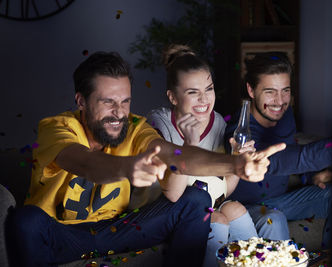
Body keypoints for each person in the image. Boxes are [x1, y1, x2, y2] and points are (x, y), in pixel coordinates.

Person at [5, 51, 285, 267]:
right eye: (108, 102)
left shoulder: (136, 126)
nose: (119, 112)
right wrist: (128, 167)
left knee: (196, 200)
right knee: (26, 220)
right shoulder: (56, 127)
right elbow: (84, 162)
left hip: (118, 229)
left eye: (125, 101)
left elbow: (175, 156)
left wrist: (236, 164)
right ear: (81, 101)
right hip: (63, 233)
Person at [224, 52, 332, 248]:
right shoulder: (240, 131)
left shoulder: (283, 114)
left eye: (285, 90)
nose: (279, 101)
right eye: (270, 91)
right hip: (249, 207)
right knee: (273, 219)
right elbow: (281, 161)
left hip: (282, 199)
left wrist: (313, 176)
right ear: (251, 90)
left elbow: (293, 155)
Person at [147, 44, 269, 267]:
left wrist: (237, 162)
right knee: (217, 218)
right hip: (165, 211)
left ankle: (259, 263)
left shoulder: (219, 123)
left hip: (206, 207)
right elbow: (173, 196)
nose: (204, 100)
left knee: (234, 208)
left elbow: (221, 191)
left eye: (209, 89)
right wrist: (189, 145)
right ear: (172, 97)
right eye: (193, 93)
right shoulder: (158, 125)